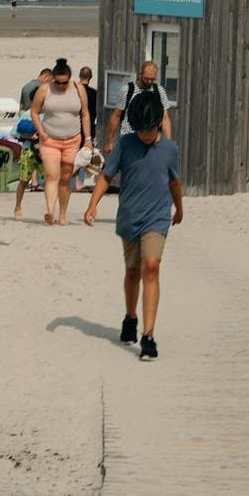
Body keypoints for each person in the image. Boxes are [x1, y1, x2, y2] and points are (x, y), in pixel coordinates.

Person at [85, 90, 184, 361]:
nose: (145, 135)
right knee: (132, 272)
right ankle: (131, 318)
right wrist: (93, 204)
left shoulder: (169, 149)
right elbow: (106, 176)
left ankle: (148, 336)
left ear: (158, 125)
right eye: (140, 130)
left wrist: (179, 208)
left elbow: (175, 182)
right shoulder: (126, 144)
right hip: (129, 215)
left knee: (150, 267)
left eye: (149, 130)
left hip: (157, 217)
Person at [30, 58, 89, 226]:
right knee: (51, 175)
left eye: (64, 83)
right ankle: (50, 211)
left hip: (72, 140)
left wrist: (88, 139)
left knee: (65, 178)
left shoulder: (79, 90)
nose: (61, 86)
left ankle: (63, 215)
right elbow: (34, 112)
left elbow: (85, 114)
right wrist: (41, 131)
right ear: (53, 78)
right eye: (58, 82)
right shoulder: (44, 90)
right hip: (49, 140)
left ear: (70, 78)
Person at [105, 61, 171, 154]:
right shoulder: (127, 90)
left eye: (152, 79)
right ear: (140, 74)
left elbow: (165, 118)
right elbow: (116, 116)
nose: (149, 82)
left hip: (150, 141)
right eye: (147, 78)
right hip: (129, 139)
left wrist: (168, 143)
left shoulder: (159, 91)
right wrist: (109, 141)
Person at [10, 114, 42, 220]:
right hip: (28, 150)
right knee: (23, 180)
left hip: (45, 151)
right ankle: (17, 207)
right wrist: (30, 137)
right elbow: (13, 132)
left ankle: (51, 210)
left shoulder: (49, 114)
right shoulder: (27, 114)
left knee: (51, 179)